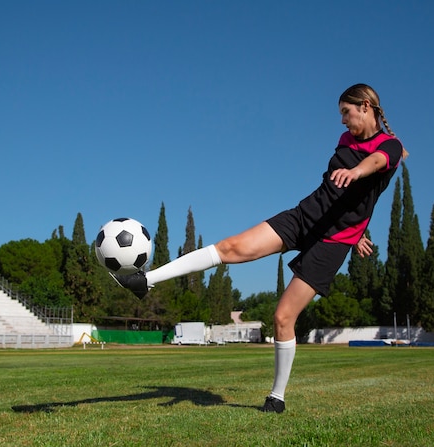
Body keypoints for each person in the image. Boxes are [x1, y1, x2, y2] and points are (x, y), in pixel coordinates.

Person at [113, 83, 407, 413]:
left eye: (345, 112)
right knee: (230, 246)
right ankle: (146, 280)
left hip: (332, 243)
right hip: (305, 217)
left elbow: (378, 163)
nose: (342, 121)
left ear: (365, 106)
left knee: (282, 317)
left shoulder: (391, 146)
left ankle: (277, 397)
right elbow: (347, 198)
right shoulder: (344, 140)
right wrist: (359, 226)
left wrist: (356, 179)